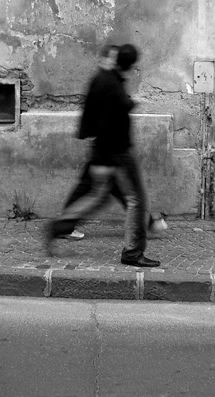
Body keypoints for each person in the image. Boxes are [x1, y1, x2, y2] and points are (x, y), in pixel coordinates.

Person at [46, 44, 161, 268]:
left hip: (102, 152)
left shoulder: (103, 79)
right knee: (135, 200)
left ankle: (58, 227)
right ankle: (133, 252)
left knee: (97, 197)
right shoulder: (110, 82)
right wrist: (133, 102)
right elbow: (118, 107)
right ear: (129, 64)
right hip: (116, 153)